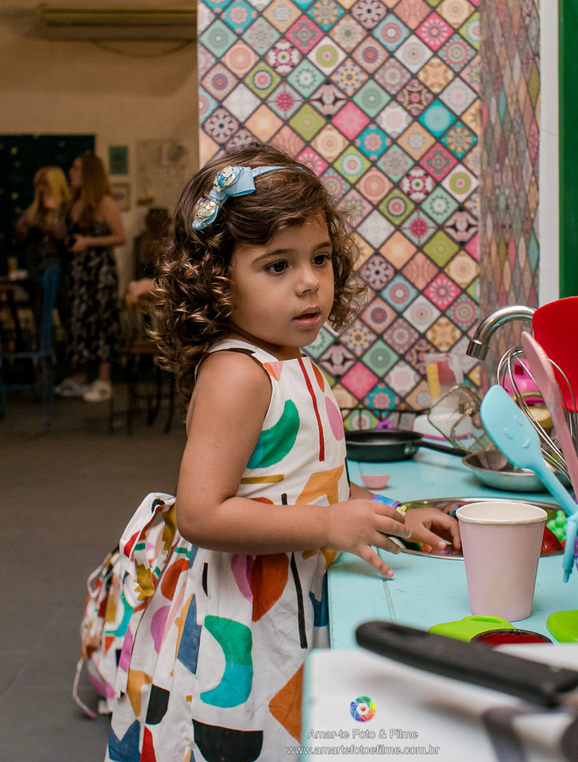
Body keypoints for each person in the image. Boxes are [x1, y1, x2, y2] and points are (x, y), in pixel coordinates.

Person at [102, 144, 460, 761]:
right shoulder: (238, 374)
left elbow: (315, 484)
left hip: (292, 595)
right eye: (277, 265)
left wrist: (399, 519)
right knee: (245, 737)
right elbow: (201, 513)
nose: (309, 281)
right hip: (242, 622)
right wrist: (327, 524)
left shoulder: (294, 363)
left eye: (320, 258)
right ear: (218, 282)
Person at [54, 153, 125, 402]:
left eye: (76, 168)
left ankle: (104, 380)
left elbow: (120, 237)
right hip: (77, 272)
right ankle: (79, 377)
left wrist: (88, 242)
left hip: (99, 271)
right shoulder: (73, 203)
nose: (71, 172)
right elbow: (61, 235)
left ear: (89, 173)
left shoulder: (104, 202)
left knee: (102, 321)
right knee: (77, 322)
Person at [15, 166, 71, 342]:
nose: (41, 188)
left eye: (45, 183)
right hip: (36, 270)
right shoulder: (33, 211)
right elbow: (20, 242)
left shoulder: (66, 209)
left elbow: (63, 238)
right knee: (39, 317)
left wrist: (40, 227)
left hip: (61, 272)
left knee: (67, 315)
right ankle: (43, 351)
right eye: (38, 184)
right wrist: (22, 230)